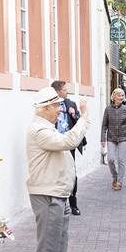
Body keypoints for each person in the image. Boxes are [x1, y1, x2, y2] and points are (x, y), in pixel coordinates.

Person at [26, 87, 91, 252]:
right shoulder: (39, 130)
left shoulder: (47, 127)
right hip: (48, 194)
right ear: (45, 109)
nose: (60, 111)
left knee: (59, 243)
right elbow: (69, 142)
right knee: (48, 245)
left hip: (58, 193)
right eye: (56, 107)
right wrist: (83, 116)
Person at [52, 80, 86, 215]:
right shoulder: (51, 106)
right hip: (55, 143)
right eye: (64, 90)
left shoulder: (71, 104)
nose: (67, 92)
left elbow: (79, 123)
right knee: (57, 173)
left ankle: (73, 203)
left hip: (69, 143)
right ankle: (58, 203)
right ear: (57, 92)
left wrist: (74, 114)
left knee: (72, 174)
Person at [101, 88, 126, 190]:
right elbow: (104, 124)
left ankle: (119, 182)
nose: (121, 97)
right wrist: (102, 138)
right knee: (110, 159)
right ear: (114, 97)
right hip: (111, 137)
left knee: (121, 160)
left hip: (123, 137)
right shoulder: (108, 109)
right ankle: (114, 176)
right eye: (119, 95)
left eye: (122, 96)